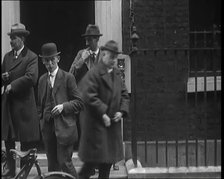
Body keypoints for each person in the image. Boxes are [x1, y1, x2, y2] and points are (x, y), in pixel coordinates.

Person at [78, 40, 130, 179]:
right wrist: (103, 113)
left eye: (115, 57)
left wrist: (122, 111)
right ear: (104, 54)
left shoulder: (117, 74)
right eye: (111, 56)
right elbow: (87, 95)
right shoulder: (94, 73)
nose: (113, 60)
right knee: (89, 167)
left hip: (111, 129)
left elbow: (124, 94)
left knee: (106, 167)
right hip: (96, 130)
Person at [37, 42, 84, 178]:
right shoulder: (41, 81)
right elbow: (40, 105)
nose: (50, 63)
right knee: (52, 166)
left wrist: (63, 107)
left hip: (65, 128)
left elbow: (79, 102)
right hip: (48, 129)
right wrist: (42, 121)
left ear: (58, 59)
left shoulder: (68, 78)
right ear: (43, 62)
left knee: (65, 163)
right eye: (47, 60)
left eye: (52, 59)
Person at [1, 23, 40, 177]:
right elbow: (4, 74)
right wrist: (4, 78)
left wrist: (12, 85)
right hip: (9, 106)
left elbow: (32, 78)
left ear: (22, 39)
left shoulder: (31, 57)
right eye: (10, 38)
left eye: (14, 38)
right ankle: (11, 170)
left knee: (26, 142)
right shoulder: (7, 56)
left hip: (24, 106)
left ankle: (24, 172)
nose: (11, 41)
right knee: (9, 140)